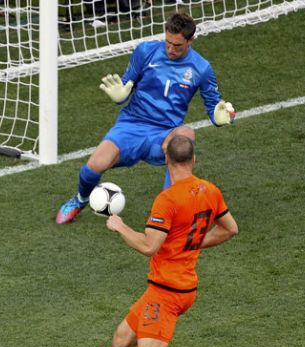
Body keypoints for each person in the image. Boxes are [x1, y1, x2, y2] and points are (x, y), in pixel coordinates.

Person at [56, 135, 241, 347]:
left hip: (167, 292)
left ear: (167, 160)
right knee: (122, 338)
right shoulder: (209, 190)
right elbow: (230, 229)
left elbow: (148, 246)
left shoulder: (167, 200)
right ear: (193, 160)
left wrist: (119, 226)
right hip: (178, 286)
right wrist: (189, 244)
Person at [55, 11, 235, 224]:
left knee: (186, 133)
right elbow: (126, 83)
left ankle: (169, 211)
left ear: (190, 40)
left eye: (177, 46)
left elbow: (215, 106)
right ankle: (80, 199)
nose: (170, 49)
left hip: (164, 133)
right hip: (132, 124)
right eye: (167, 42)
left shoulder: (201, 69)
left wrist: (222, 116)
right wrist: (120, 95)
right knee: (94, 165)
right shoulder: (146, 51)